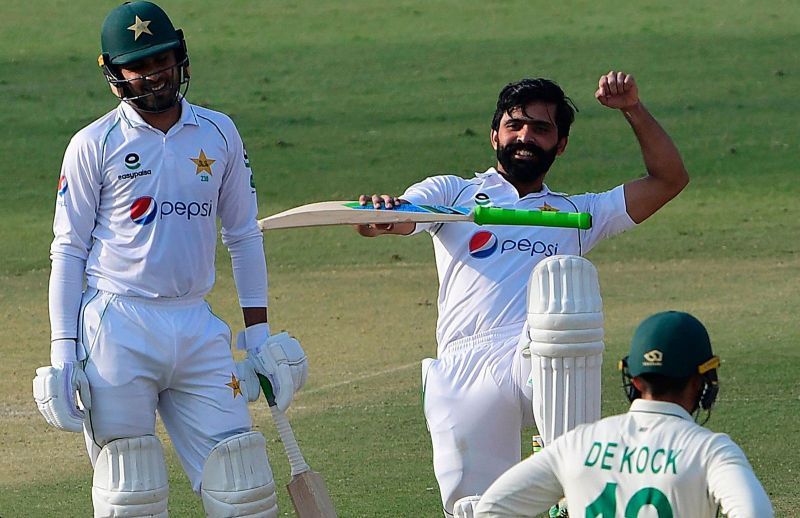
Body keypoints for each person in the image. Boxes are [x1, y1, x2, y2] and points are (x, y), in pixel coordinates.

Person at [355, 72, 690, 516]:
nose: (525, 136)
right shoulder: (453, 192)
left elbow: (669, 179)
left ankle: (570, 483)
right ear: (495, 134)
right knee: (477, 507)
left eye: (541, 128)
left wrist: (632, 107)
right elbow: (399, 217)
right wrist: (379, 218)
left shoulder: (578, 211)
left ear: (561, 144)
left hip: (537, 351)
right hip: (465, 364)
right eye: (515, 125)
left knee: (562, 307)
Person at [31, 2, 305, 516]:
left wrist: (260, 335)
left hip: (197, 325)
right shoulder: (94, 144)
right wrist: (63, 353)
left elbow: (243, 235)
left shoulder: (219, 132)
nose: (155, 74)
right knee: (130, 491)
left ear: (181, 57)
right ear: (115, 75)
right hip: (118, 329)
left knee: (244, 485)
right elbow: (67, 249)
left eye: (163, 60)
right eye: (140, 65)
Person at [475, 311, 774, 517]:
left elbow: (492, 509)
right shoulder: (711, 451)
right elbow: (754, 513)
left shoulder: (576, 444)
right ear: (700, 383)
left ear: (634, 381)